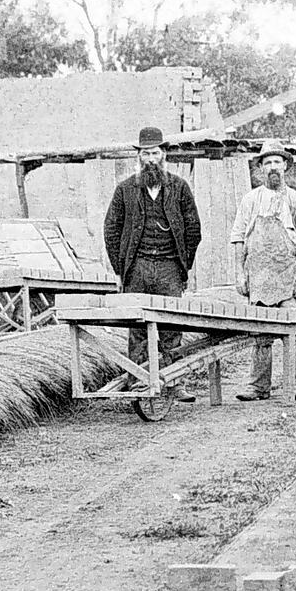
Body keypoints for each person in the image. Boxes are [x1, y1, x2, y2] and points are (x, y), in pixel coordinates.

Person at [103, 126, 202, 395]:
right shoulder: (125, 190)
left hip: (170, 268)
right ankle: (138, 381)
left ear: (163, 154)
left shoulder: (179, 188)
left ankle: (174, 384)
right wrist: (121, 268)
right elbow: (111, 229)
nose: (150, 158)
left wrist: (184, 264)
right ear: (139, 156)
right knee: (137, 328)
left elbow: (194, 229)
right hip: (137, 268)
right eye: (145, 153)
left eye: (155, 153)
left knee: (172, 327)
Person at [231, 138, 296, 401]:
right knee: (261, 336)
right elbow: (238, 239)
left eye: (278, 161)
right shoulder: (250, 200)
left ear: (286, 166)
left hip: (287, 278)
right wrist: (239, 273)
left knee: (293, 332)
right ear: (261, 168)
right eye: (268, 162)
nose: (273, 167)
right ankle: (258, 386)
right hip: (258, 278)